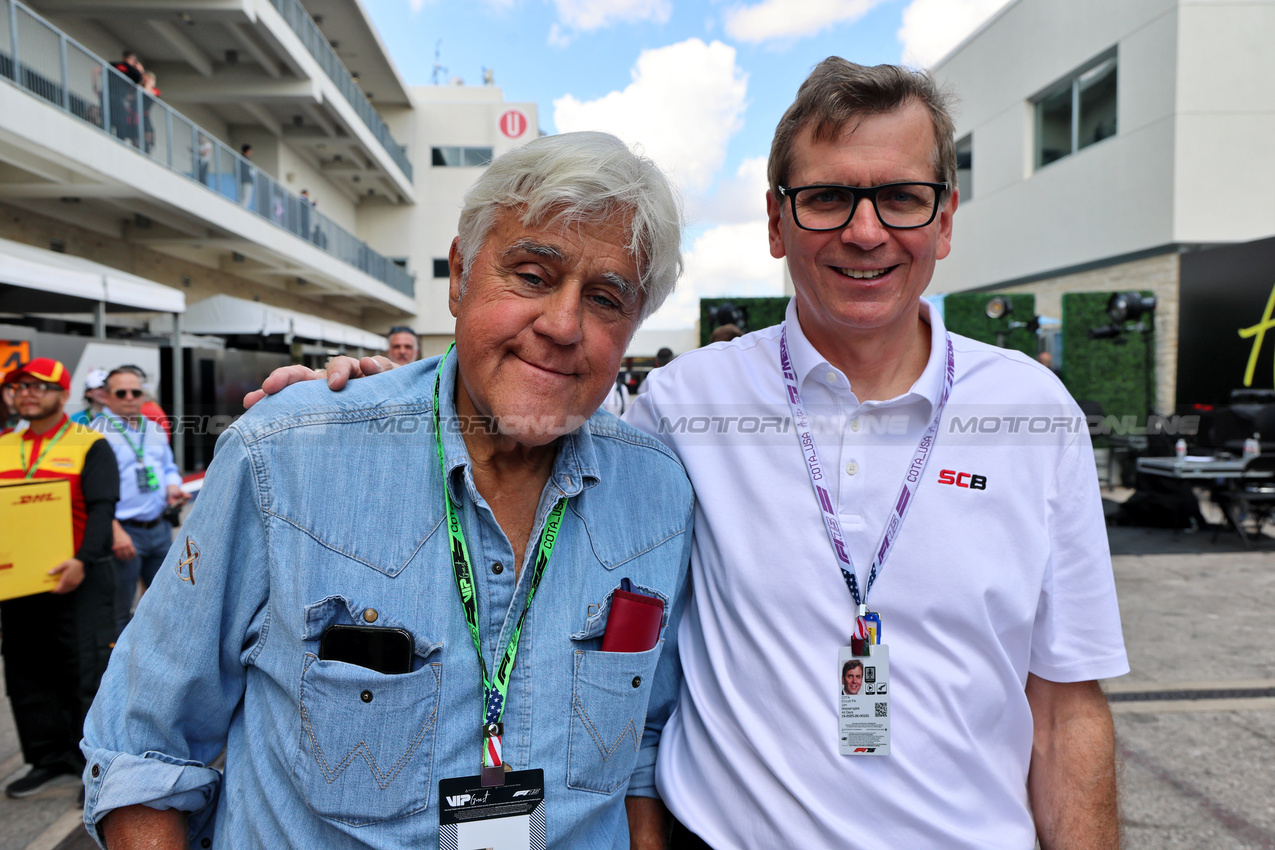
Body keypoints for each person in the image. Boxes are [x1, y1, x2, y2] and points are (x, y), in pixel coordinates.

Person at [266, 59, 1128, 850]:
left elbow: (1065, 709)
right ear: (775, 223)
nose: (865, 232)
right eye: (826, 198)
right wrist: (370, 398)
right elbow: (522, 410)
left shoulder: (1031, 412)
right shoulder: (680, 409)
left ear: (942, 220)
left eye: (900, 197)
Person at [82, 131, 693, 849]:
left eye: (604, 298)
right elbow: (145, 749)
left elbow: (645, 746)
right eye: (530, 275)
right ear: (459, 275)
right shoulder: (289, 456)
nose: (562, 326)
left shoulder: (659, 493)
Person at [0, 359, 118, 799]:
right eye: (18, 387)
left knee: (85, 672)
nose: (26, 393)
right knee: (27, 676)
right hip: (18, 586)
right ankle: (47, 759)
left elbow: (103, 510)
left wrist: (82, 560)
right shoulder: (4, 446)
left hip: (79, 579)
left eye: (38, 386)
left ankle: (91, 767)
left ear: (61, 392)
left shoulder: (90, 444)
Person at [94, 368, 184, 632]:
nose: (129, 397)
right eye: (121, 392)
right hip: (123, 533)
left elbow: (168, 466)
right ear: (106, 396)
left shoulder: (154, 430)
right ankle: (114, 670)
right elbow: (92, 491)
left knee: (166, 604)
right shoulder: (95, 433)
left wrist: (172, 487)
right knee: (119, 612)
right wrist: (114, 531)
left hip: (160, 528)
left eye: (136, 392)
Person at [239, 144, 255, 208]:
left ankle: (241, 209)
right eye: (250, 150)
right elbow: (247, 171)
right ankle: (242, 210)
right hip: (246, 181)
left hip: (242, 180)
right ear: (248, 150)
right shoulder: (244, 159)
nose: (251, 152)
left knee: (242, 197)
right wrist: (253, 172)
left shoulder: (241, 158)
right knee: (245, 198)